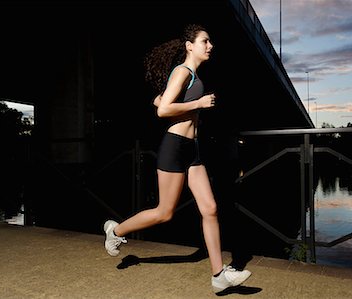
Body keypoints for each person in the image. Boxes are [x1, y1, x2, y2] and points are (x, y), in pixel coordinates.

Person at [103, 24, 251, 293]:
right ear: (189, 45)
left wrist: (168, 101)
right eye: (205, 41)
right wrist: (199, 104)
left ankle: (219, 276)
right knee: (164, 212)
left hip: (192, 150)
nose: (210, 46)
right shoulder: (183, 71)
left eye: (210, 42)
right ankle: (115, 232)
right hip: (174, 147)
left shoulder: (189, 75)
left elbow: (160, 101)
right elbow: (163, 112)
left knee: (210, 208)